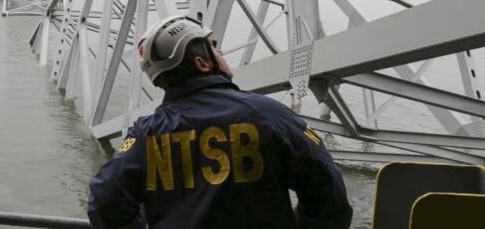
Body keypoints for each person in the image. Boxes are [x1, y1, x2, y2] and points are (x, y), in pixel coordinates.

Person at [87, 16, 353, 228]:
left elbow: (105, 202)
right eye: (213, 46)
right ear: (202, 64)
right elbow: (329, 194)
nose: (220, 50)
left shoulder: (145, 135)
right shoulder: (270, 116)